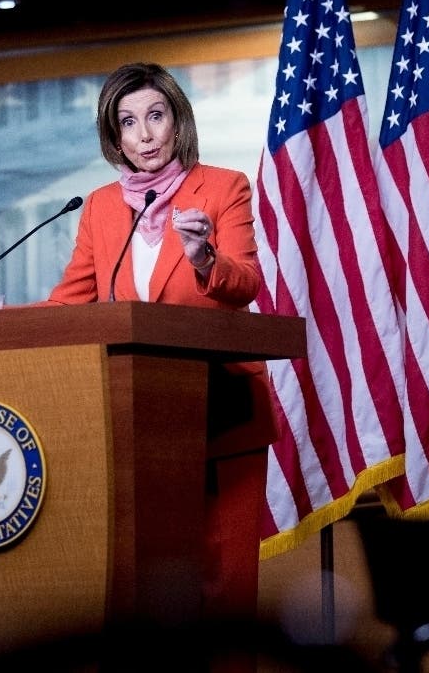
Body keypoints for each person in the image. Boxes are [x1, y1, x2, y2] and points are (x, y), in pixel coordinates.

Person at [42, 62, 278, 633]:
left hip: (223, 411)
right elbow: (68, 303)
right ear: (113, 136)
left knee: (226, 593)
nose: (144, 135)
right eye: (128, 123)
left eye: (155, 116)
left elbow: (246, 282)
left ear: (177, 121)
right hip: (139, 425)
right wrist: (0, 326)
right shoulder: (99, 208)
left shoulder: (223, 187)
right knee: (155, 593)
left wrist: (204, 260)